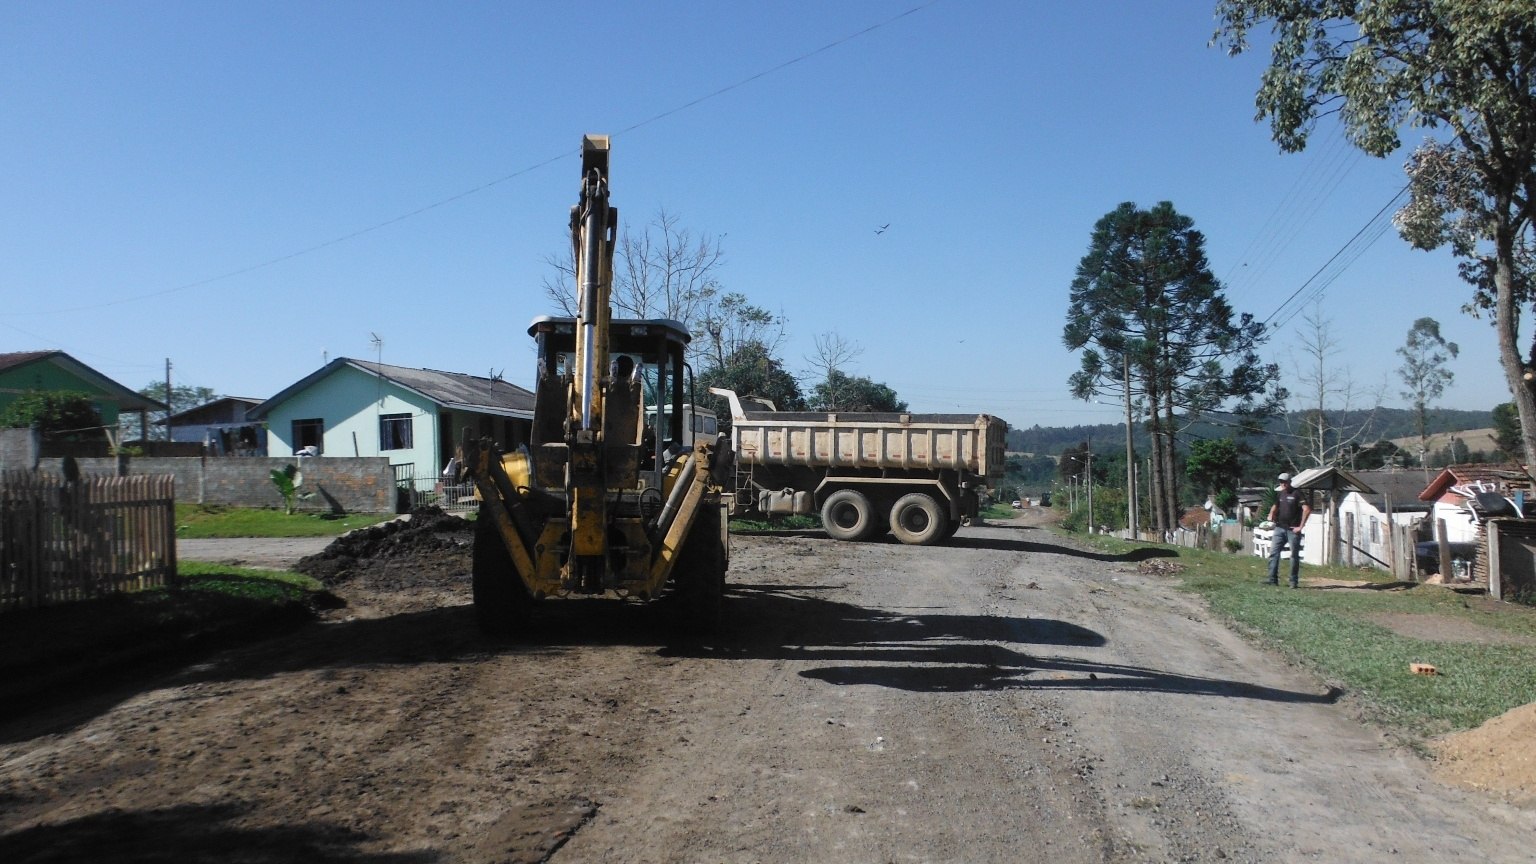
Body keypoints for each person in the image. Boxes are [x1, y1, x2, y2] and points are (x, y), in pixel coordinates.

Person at [1266, 472, 1312, 588]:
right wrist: (1271, 513)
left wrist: (1301, 527)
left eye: (1285, 482)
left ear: (1290, 482)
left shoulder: (1297, 494)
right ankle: (1272, 579)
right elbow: (1275, 505)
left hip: (1292, 530)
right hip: (1280, 528)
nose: (1283, 484)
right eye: (1281, 482)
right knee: (1273, 553)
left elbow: (1306, 509)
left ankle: (1293, 581)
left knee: (1293, 556)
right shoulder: (1280, 494)